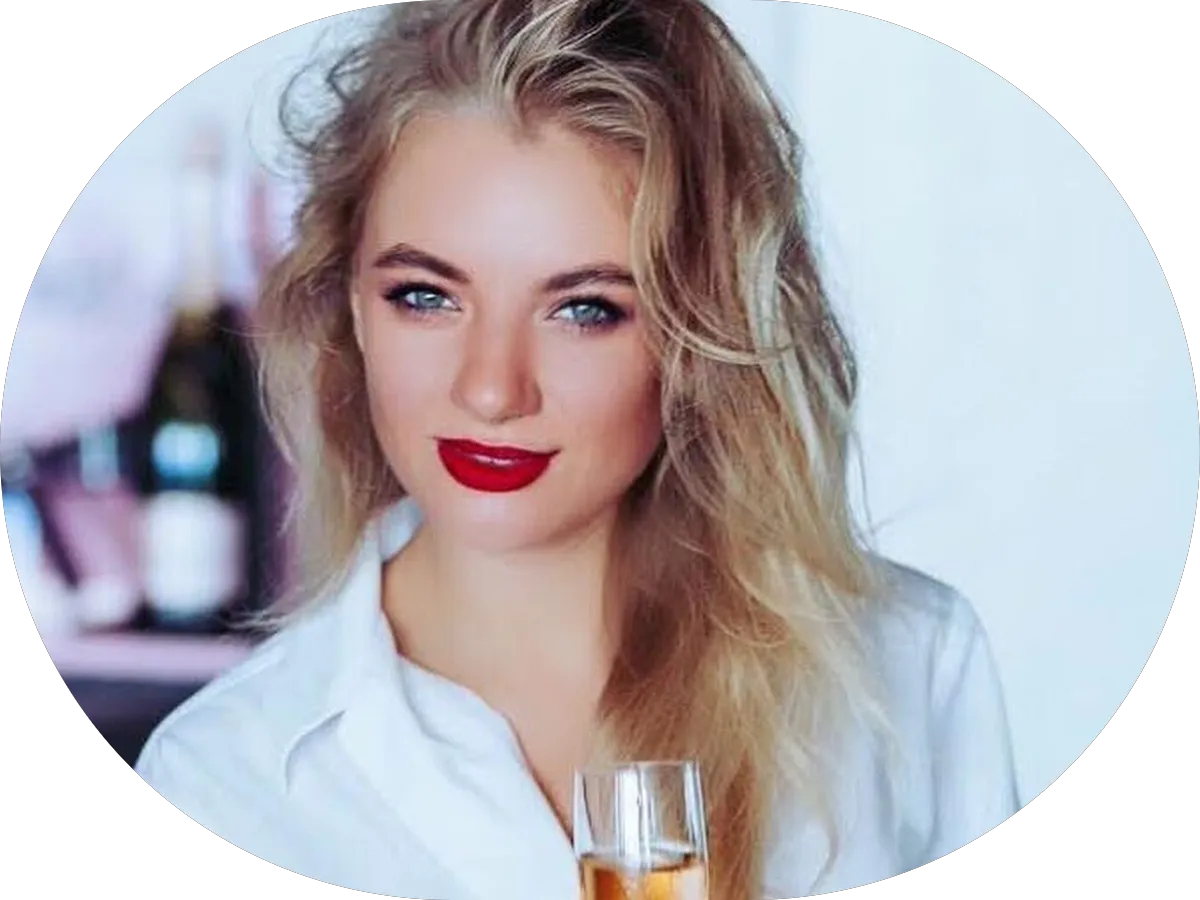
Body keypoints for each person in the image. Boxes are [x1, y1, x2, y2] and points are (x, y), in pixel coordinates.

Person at [133, 1, 1020, 897]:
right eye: (425, 297)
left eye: (584, 309)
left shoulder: (906, 670)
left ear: (695, 335)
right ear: (354, 307)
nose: (492, 389)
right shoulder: (224, 782)